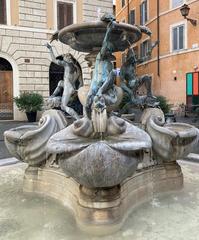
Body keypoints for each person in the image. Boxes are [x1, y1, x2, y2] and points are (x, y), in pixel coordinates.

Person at [85, 14, 117, 118]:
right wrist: (108, 31)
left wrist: (102, 90)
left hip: (104, 86)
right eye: (107, 49)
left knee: (113, 74)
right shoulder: (100, 57)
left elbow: (110, 79)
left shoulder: (109, 64)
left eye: (109, 50)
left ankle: (106, 114)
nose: (107, 51)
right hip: (95, 84)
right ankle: (88, 118)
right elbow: (104, 43)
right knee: (87, 102)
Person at [46, 43, 83, 120]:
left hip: (68, 88)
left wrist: (50, 49)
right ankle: (53, 95)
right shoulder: (77, 68)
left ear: (67, 58)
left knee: (63, 106)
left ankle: (78, 119)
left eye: (64, 58)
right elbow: (81, 82)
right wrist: (77, 91)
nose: (63, 59)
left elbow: (53, 60)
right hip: (72, 88)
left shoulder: (66, 64)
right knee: (60, 82)